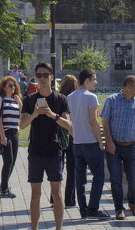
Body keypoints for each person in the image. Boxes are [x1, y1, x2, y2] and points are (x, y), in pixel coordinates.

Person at [20, 61, 71, 230]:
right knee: (35, 193)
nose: (42, 78)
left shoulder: (60, 99)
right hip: (35, 151)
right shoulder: (29, 99)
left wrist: (52, 115)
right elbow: (22, 125)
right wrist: (34, 114)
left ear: (52, 77)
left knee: (56, 192)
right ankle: (34, 228)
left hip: (54, 150)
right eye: (39, 75)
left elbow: (69, 125)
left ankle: (58, 228)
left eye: (45, 75)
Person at [101, 74, 135, 220]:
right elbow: (105, 122)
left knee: (133, 178)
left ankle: (133, 203)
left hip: (131, 146)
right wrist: (109, 142)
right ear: (129, 87)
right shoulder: (111, 100)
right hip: (114, 147)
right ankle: (119, 208)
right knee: (116, 179)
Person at [66, 68, 108, 219]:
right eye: (94, 79)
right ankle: (93, 209)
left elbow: (70, 122)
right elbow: (93, 121)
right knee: (98, 176)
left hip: (77, 143)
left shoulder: (70, 97)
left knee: (80, 179)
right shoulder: (91, 97)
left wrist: (75, 135)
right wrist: (100, 141)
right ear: (87, 80)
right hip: (90, 142)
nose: (96, 82)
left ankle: (83, 210)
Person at [0, 75, 22, 198]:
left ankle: (3, 185)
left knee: (13, 160)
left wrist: (20, 103)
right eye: (10, 85)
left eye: (14, 85)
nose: (13, 87)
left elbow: (21, 116)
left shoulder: (16, 100)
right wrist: (2, 136)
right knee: (8, 160)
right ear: (4, 87)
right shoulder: (0, 99)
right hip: (5, 132)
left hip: (14, 131)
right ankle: (4, 189)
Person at [57, 74, 77, 210]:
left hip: (58, 135)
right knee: (72, 169)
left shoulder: (58, 98)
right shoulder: (76, 98)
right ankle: (69, 199)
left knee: (58, 167)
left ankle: (55, 196)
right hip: (73, 135)